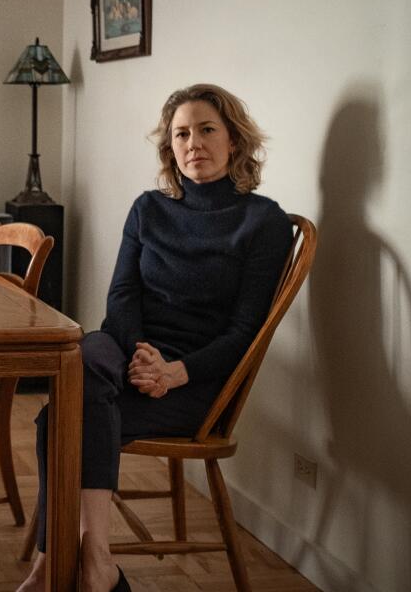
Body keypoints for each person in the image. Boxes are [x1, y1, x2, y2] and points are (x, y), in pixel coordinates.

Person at [18, 85, 292, 592]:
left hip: (198, 381)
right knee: (80, 360)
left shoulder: (264, 222)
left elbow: (246, 332)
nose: (194, 143)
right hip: (126, 349)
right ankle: (95, 566)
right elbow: (121, 297)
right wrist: (143, 356)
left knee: (62, 412)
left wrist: (174, 372)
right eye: (181, 133)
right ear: (170, 146)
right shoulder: (148, 208)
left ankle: (54, 565)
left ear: (235, 140)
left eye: (207, 129)